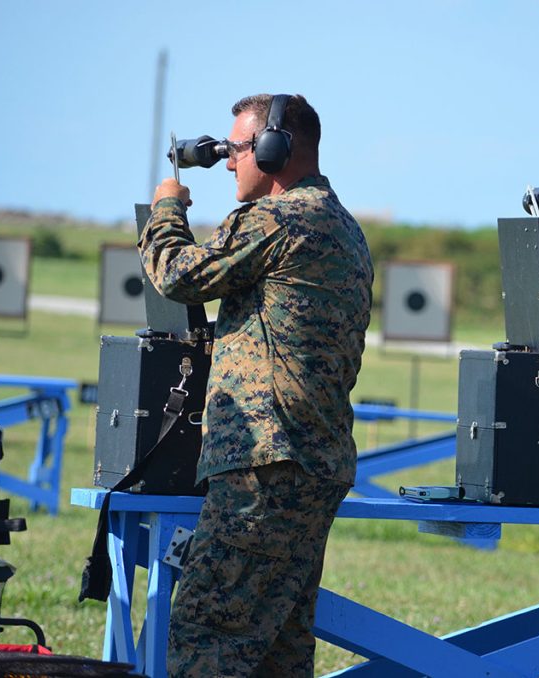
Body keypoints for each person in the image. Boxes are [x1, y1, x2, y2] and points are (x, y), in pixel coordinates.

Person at [138, 93, 373, 677]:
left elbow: (178, 273)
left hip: (265, 465)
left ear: (275, 151)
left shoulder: (280, 218)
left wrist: (166, 209)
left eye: (238, 150)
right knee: (276, 651)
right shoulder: (340, 224)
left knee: (206, 634)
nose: (227, 162)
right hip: (310, 462)